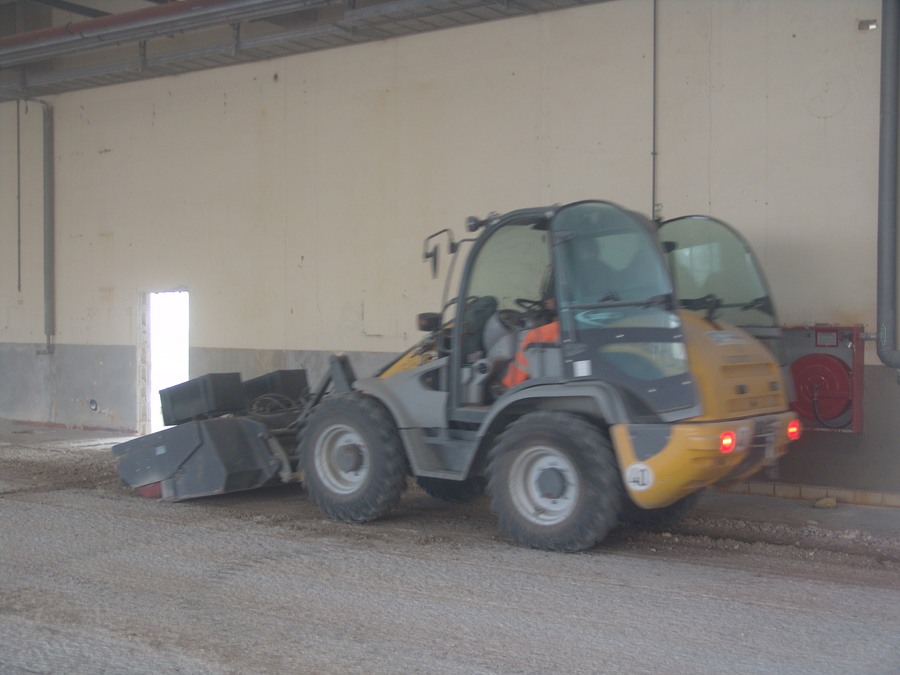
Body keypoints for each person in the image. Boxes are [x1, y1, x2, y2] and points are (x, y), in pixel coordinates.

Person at [501, 299, 560, 388]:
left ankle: (511, 384)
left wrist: (558, 302)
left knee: (534, 336)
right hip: (576, 319)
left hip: (574, 321)